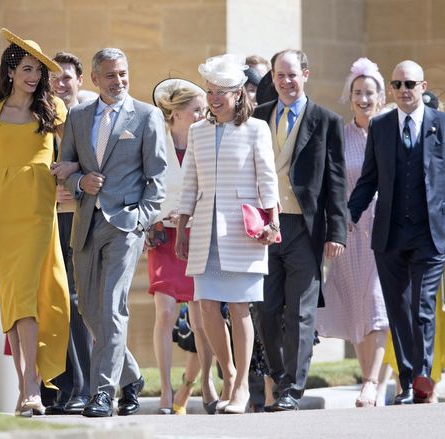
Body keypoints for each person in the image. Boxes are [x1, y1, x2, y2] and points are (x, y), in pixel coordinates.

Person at [348, 60, 445, 404]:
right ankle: (406, 381)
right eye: (398, 84)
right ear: (392, 89)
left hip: (431, 233)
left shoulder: (444, 125)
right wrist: (348, 214)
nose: (403, 90)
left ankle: (422, 376)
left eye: (410, 84)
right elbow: (369, 179)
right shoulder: (381, 126)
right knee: (397, 308)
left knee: (421, 306)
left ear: (423, 86)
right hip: (389, 232)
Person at [57, 48, 167, 417]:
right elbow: (65, 168)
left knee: (113, 305)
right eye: (110, 75)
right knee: (88, 308)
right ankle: (131, 376)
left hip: (126, 226)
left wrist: (141, 220)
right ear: (94, 79)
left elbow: (158, 179)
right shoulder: (77, 116)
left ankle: (101, 392)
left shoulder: (147, 116)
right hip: (86, 221)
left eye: (123, 74)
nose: (119, 81)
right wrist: (79, 181)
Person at [0, 28, 70, 417]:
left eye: (38, 72)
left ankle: (32, 386)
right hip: (4, 207)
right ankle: (25, 385)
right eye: (26, 68)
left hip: (39, 205)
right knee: (13, 294)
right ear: (11, 70)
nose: (33, 77)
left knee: (31, 292)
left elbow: (75, 152)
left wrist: (70, 172)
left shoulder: (53, 110)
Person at [175, 54, 280, 415]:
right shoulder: (197, 131)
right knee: (205, 306)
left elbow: (268, 179)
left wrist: (274, 222)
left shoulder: (256, 129)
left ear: (238, 94)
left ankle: (239, 389)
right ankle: (228, 370)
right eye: (210, 92)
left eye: (221, 92)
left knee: (238, 307)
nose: (214, 98)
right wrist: (181, 227)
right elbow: (189, 182)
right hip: (204, 231)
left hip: (242, 230)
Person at [252, 49, 348, 412]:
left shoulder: (325, 120)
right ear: (273, 78)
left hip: (305, 227)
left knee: (301, 312)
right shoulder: (258, 117)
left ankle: (292, 389)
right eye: (280, 75)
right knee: (264, 308)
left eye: (293, 75)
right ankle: (279, 376)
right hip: (264, 227)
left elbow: (336, 182)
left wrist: (336, 231)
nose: (287, 82)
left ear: (306, 74)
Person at [316, 57, 389, 408]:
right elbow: (330, 185)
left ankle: (372, 381)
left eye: (369, 93)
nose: (363, 99)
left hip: (384, 227)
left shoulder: (390, 130)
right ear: (350, 96)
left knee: (376, 300)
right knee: (358, 306)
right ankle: (370, 382)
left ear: (381, 96)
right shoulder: (339, 136)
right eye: (357, 92)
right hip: (348, 229)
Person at [148, 78, 219, 415]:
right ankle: (165, 392)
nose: (203, 116)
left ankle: (205, 383)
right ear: (176, 113)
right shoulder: (155, 140)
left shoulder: (206, 141)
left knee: (201, 318)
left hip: (195, 234)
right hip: (163, 235)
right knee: (164, 312)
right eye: (196, 110)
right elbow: (144, 184)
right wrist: (160, 216)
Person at [43, 52, 93, 415]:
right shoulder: (41, 119)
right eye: (55, 78)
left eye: (67, 78)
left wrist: (73, 180)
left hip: (81, 220)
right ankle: (61, 389)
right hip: (46, 222)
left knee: (78, 304)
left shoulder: (89, 119)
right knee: (57, 303)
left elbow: (103, 168)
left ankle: (84, 388)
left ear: (79, 81)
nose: (61, 84)